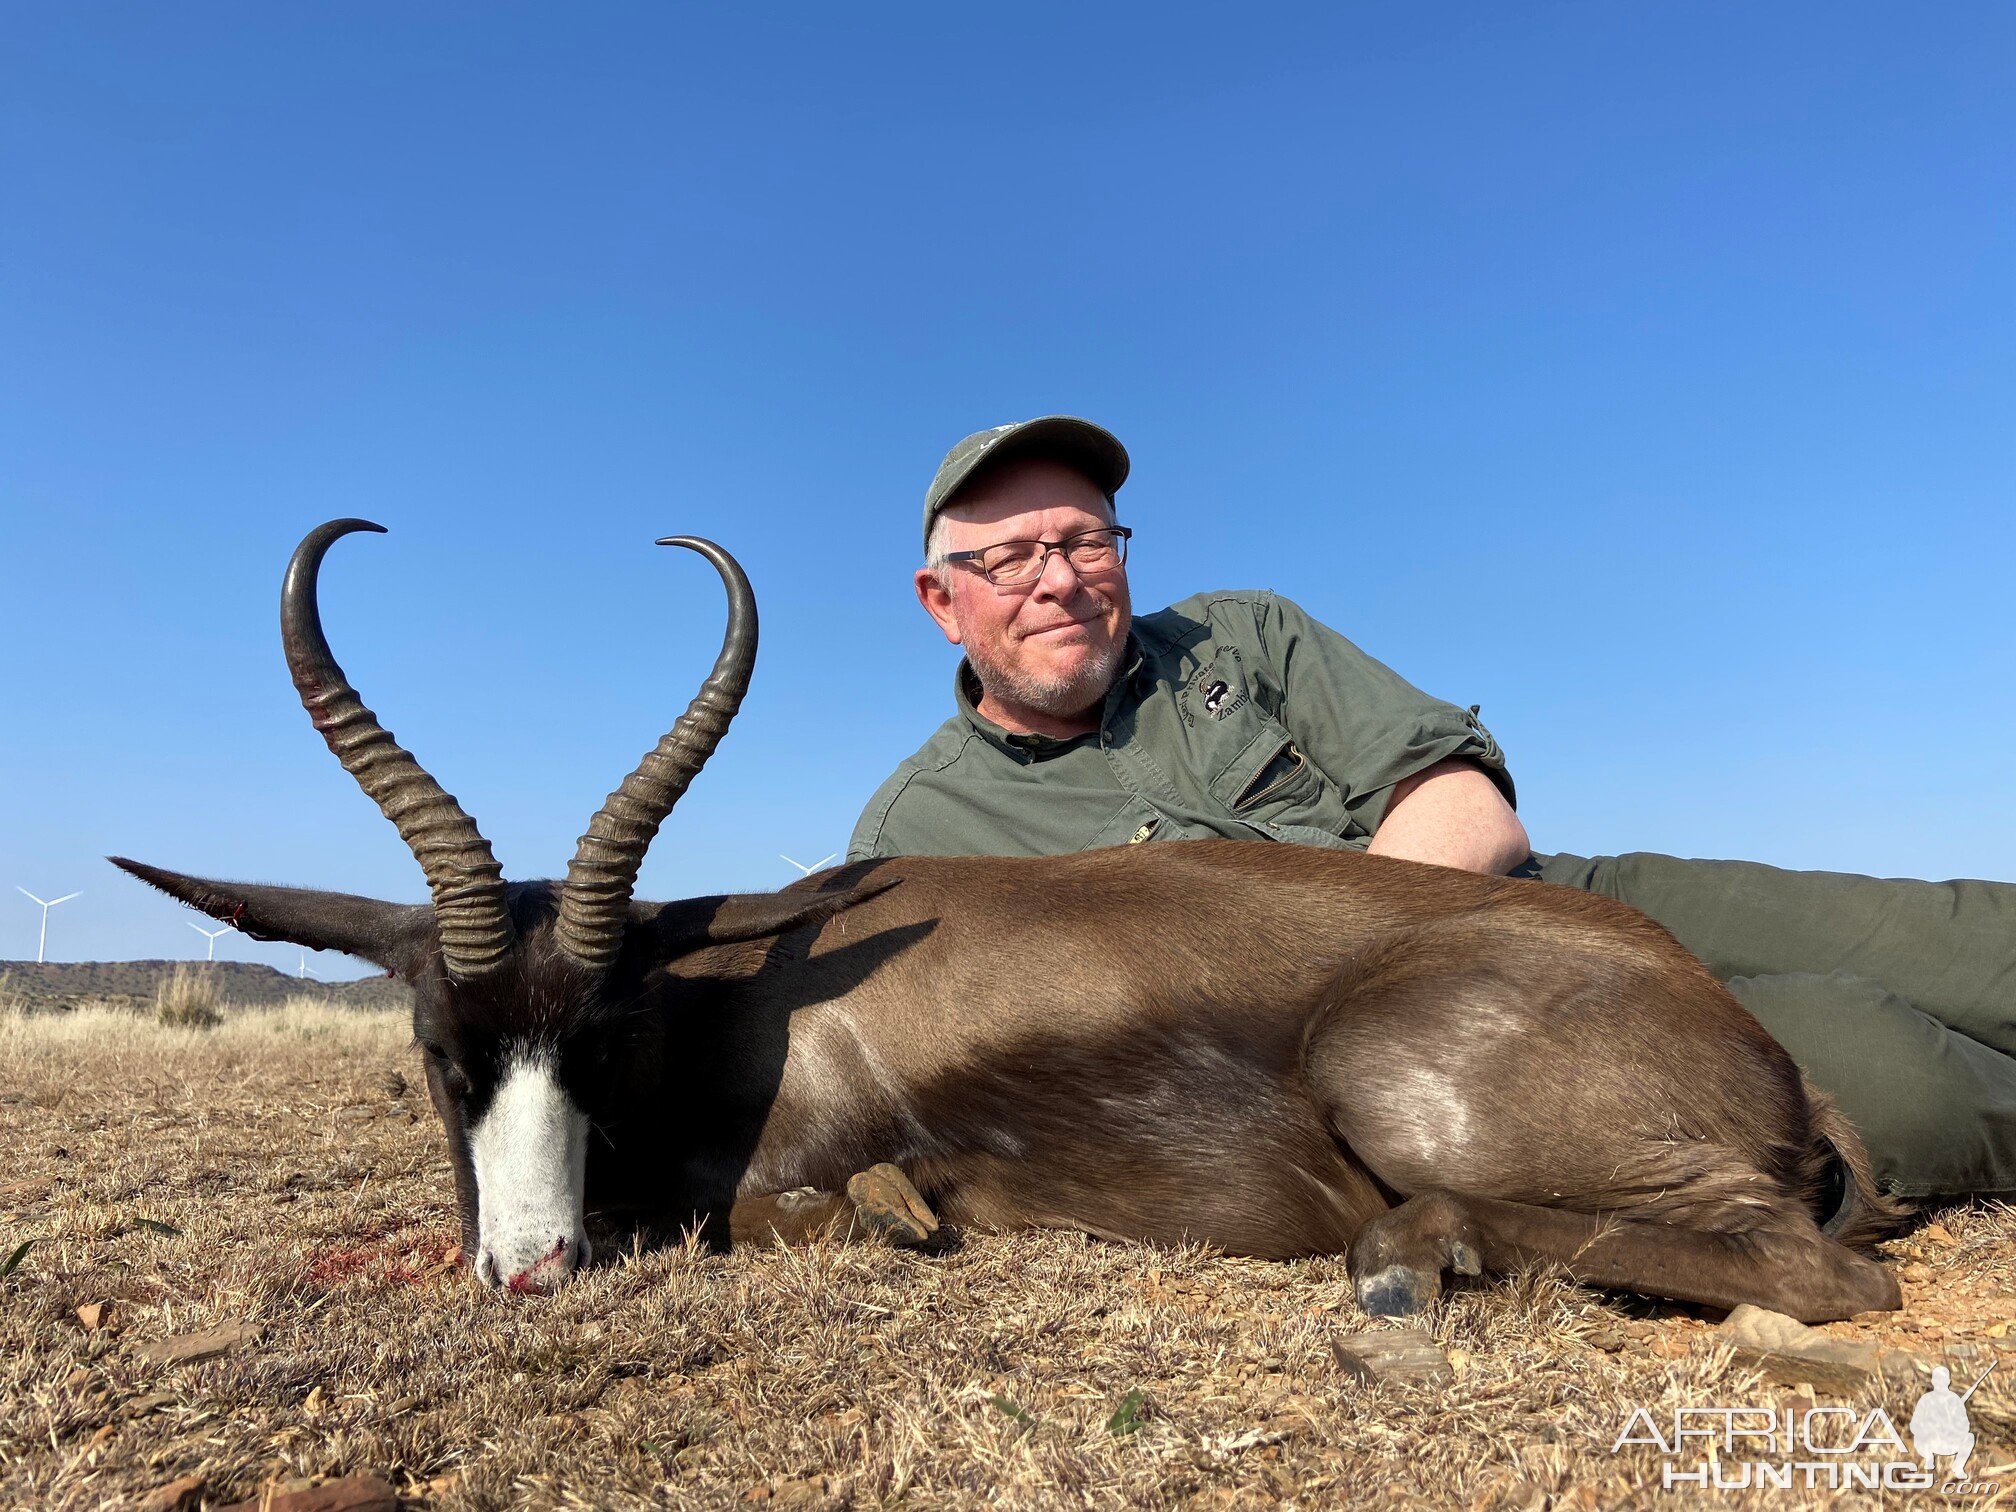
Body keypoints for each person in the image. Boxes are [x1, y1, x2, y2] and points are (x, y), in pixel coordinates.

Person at [848, 415, 2016, 1204]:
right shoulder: (913, 843)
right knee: (1891, 1067)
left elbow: (1464, 805)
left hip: (1560, 900)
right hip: (1466, 1062)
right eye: (1010, 559)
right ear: (940, 603)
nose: (1059, 578)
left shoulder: (1244, 633)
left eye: (1085, 539)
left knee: (1968, 939)